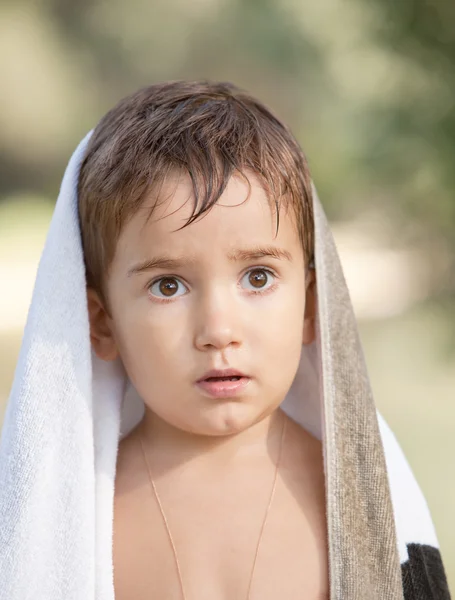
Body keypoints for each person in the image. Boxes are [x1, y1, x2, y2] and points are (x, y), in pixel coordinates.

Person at [0, 81, 450, 600]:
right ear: (101, 323)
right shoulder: (78, 519)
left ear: (310, 306)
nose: (218, 330)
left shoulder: (362, 505)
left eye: (257, 277)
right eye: (168, 286)